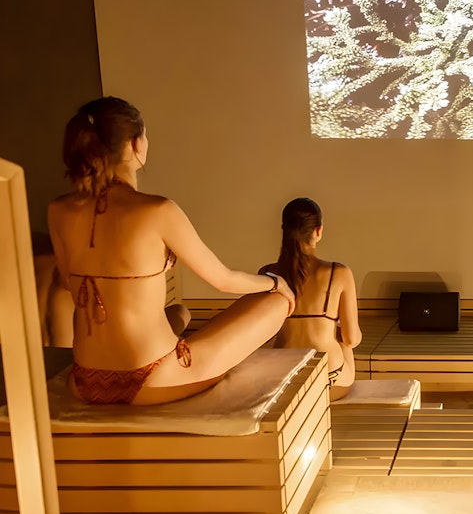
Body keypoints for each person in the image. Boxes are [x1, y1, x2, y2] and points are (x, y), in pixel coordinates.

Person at [48, 96, 295, 405]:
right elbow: (224, 281)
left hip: (85, 380)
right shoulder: (158, 210)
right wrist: (275, 282)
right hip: (151, 380)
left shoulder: (58, 210)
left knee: (179, 313)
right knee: (275, 303)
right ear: (136, 144)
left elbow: (67, 284)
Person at [260, 198, 362, 401]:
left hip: (284, 378)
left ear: (284, 231)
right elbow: (352, 339)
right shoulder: (338, 272)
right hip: (330, 379)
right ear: (318, 230)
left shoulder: (268, 273)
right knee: (344, 339)